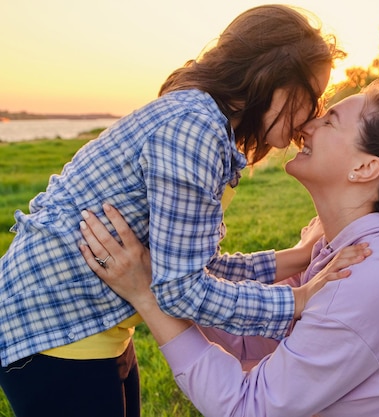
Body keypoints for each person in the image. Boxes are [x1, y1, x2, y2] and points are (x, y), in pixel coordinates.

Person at [0, 5, 356, 417]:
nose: (310, 118)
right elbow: (180, 290)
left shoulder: (204, 124)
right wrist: (296, 301)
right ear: (272, 76)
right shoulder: (194, 128)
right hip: (54, 327)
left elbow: (185, 267)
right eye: (312, 97)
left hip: (93, 324)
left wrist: (299, 258)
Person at [79, 80, 379, 417]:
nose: (307, 125)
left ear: (365, 168)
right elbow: (253, 344)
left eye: (330, 121)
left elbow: (248, 407)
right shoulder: (345, 248)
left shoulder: (377, 272)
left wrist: (148, 295)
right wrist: (171, 270)